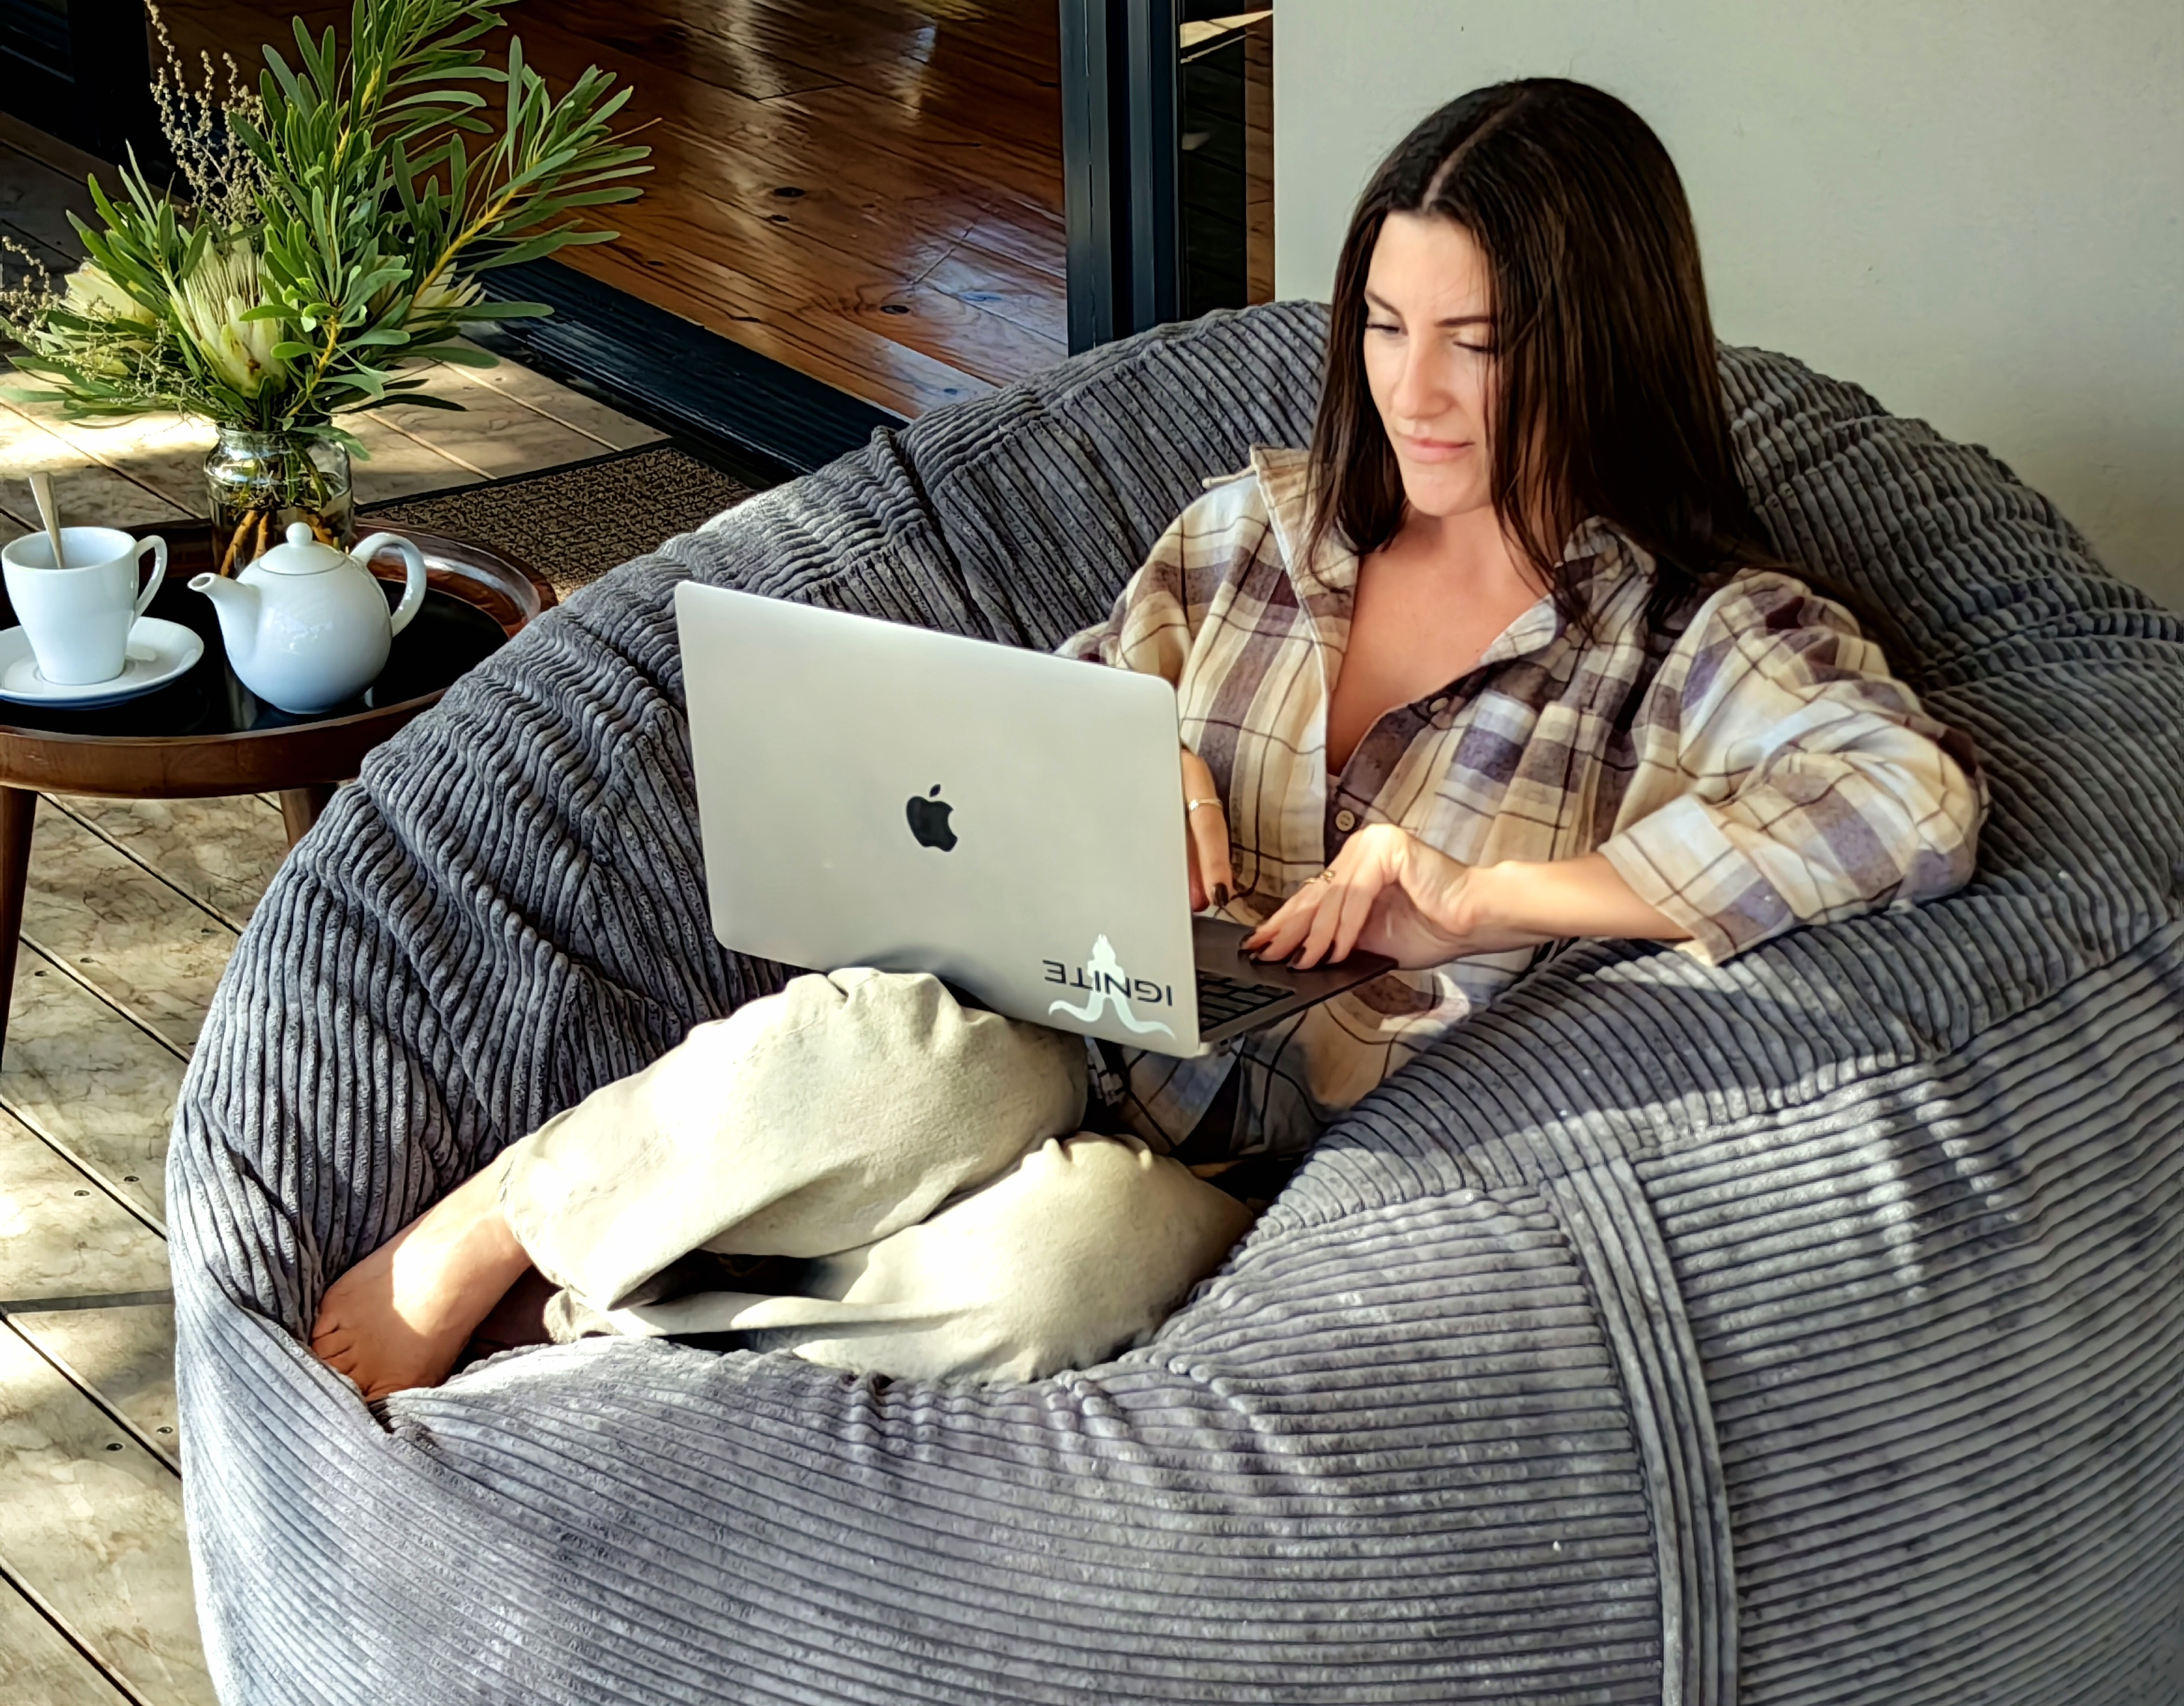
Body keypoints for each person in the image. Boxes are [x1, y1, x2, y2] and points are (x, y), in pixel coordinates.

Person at [310, 77, 1984, 1402]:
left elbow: (1907, 804)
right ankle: (490, 1229)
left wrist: (1482, 900)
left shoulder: (1694, 636)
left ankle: (604, 1313)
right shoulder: (1257, 527)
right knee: (903, 1057)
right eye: (1388, 327)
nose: (1420, 391)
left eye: (1481, 341)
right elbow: (1056, 707)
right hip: (1053, 1018)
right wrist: (1151, 760)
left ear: (1599, 341)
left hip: (1252, 1169)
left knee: (1074, 1260)